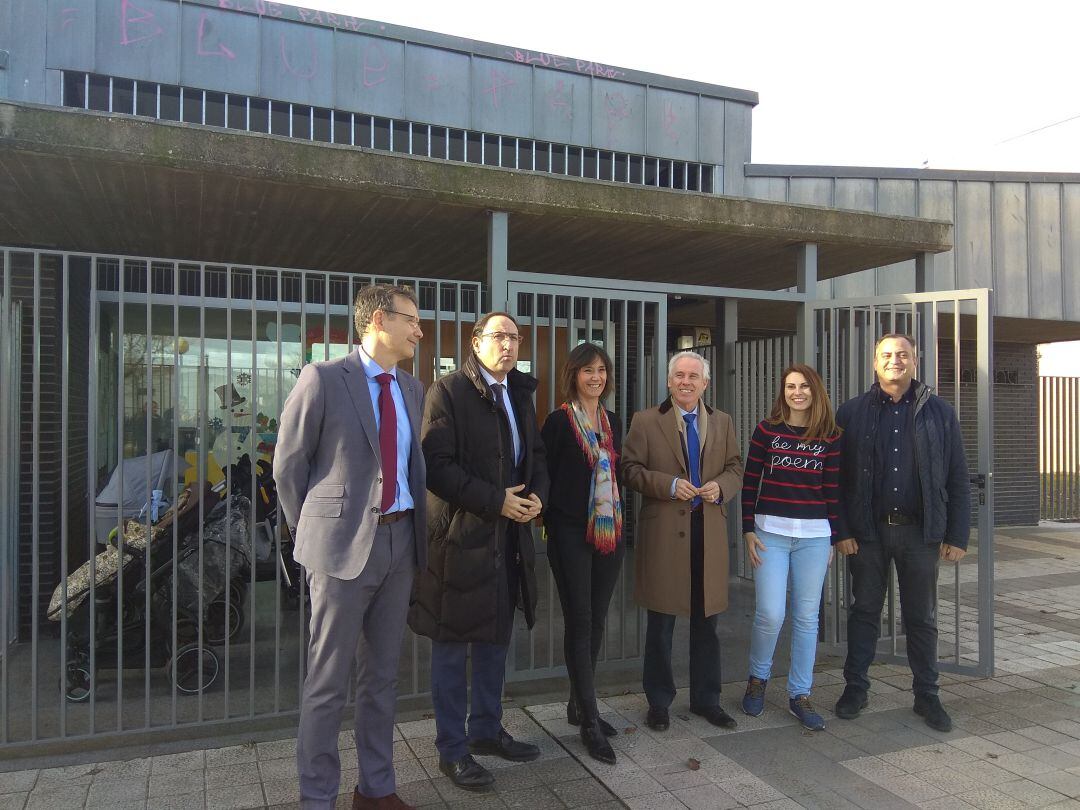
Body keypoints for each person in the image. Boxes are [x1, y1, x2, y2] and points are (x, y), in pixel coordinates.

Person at [274, 284, 426, 810]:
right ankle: (318, 797)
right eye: (411, 320)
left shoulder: (411, 388)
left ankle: (376, 789)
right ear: (380, 321)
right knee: (327, 682)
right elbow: (288, 467)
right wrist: (314, 535)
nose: (419, 330)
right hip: (338, 551)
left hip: (400, 544)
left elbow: (408, 465)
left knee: (382, 678)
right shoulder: (322, 379)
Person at [409, 312, 550, 792]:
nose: (507, 345)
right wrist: (497, 501)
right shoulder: (447, 391)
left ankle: (486, 729)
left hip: (508, 539)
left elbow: (538, 457)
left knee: (496, 638)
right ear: (476, 341)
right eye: (498, 336)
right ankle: (452, 749)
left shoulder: (521, 394)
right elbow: (436, 466)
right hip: (458, 541)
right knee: (452, 648)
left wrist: (536, 499)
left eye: (514, 337)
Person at [833, 333, 970, 733]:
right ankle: (855, 688)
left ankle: (927, 695)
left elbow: (957, 476)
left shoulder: (939, 413)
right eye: (887, 355)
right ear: (875, 363)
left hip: (920, 535)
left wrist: (957, 534)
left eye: (903, 354)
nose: (895, 360)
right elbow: (836, 480)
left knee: (921, 618)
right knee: (863, 612)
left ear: (914, 361)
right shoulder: (851, 412)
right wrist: (841, 529)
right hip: (867, 534)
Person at [620, 350, 744, 732]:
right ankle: (659, 702)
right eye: (679, 376)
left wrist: (720, 488)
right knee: (661, 625)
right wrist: (670, 485)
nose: (686, 382)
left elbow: (735, 467)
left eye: (693, 376)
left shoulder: (722, 422)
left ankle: (708, 700)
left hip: (708, 533)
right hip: (664, 537)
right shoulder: (645, 420)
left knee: (707, 624)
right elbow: (629, 469)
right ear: (669, 381)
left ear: (705, 383)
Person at [740, 365, 842, 731]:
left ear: (815, 391)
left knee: (806, 617)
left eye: (803, 386)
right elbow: (751, 481)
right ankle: (757, 679)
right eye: (789, 387)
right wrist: (747, 529)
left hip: (814, 536)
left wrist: (832, 536)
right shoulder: (767, 430)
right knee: (770, 613)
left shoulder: (830, 436)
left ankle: (800, 694)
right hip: (770, 534)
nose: (796, 392)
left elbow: (832, 490)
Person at [540, 343, 625, 765]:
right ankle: (590, 720)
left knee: (597, 619)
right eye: (588, 370)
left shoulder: (614, 424)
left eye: (602, 370)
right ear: (573, 375)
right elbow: (546, 478)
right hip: (571, 534)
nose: (596, 377)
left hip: (609, 535)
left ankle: (579, 704)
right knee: (580, 620)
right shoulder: (557, 423)